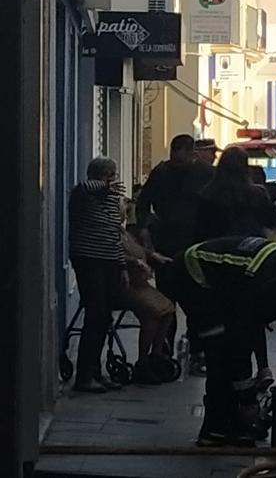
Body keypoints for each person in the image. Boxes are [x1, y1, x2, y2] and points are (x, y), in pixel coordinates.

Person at [165, 236, 276, 446]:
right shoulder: (263, 284)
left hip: (223, 281)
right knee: (219, 353)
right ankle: (214, 429)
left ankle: (233, 419)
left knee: (229, 350)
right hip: (193, 277)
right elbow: (240, 344)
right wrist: (248, 400)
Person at [195, 147, 276, 388]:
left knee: (224, 316)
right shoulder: (256, 194)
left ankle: (226, 371)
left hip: (219, 264)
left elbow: (199, 233)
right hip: (252, 261)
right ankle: (262, 367)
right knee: (252, 315)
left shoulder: (207, 195)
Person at [135, 134, 215, 373]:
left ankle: (197, 351)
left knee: (196, 304)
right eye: (173, 159)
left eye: (181, 160)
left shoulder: (206, 174)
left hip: (195, 248)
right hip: (166, 247)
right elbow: (143, 203)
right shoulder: (161, 173)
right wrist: (143, 228)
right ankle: (163, 351)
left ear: (192, 154)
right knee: (166, 302)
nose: (176, 164)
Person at [68, 157, 129, 393]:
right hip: (88, 258)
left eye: (113, 174)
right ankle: (84, 375)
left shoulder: (111, 200)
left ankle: (95, 370)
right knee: (95, 313)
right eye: (109, 175)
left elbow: (115, 234)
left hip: (109, 261)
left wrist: (122, 266)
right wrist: (104, 185)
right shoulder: (83, 194)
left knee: (104, 317)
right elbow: (85, 186)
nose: (113, 179)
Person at [117, 229, 177, 385]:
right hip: (125, 285)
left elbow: (138, 249)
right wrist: (136, 262)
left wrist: (152, 255)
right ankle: (142, 363)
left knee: (168, 309)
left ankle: (156, 354)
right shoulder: (110, 234)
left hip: (141, 284)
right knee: (152, 313)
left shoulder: (124, 232)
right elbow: (115, 255)